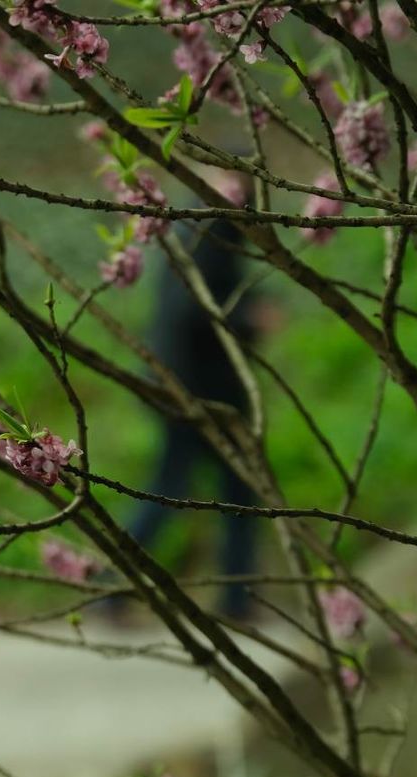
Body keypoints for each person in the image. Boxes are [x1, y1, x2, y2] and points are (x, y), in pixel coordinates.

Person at [128, 213, 267, 621]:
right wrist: (249, 319)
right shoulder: (210, 234)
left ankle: (238, 599)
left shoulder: (187, 227)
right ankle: (112, 588)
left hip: (184, 387)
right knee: (184, 488)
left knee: (224, 491)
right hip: (198, 392)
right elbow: (194, 312)